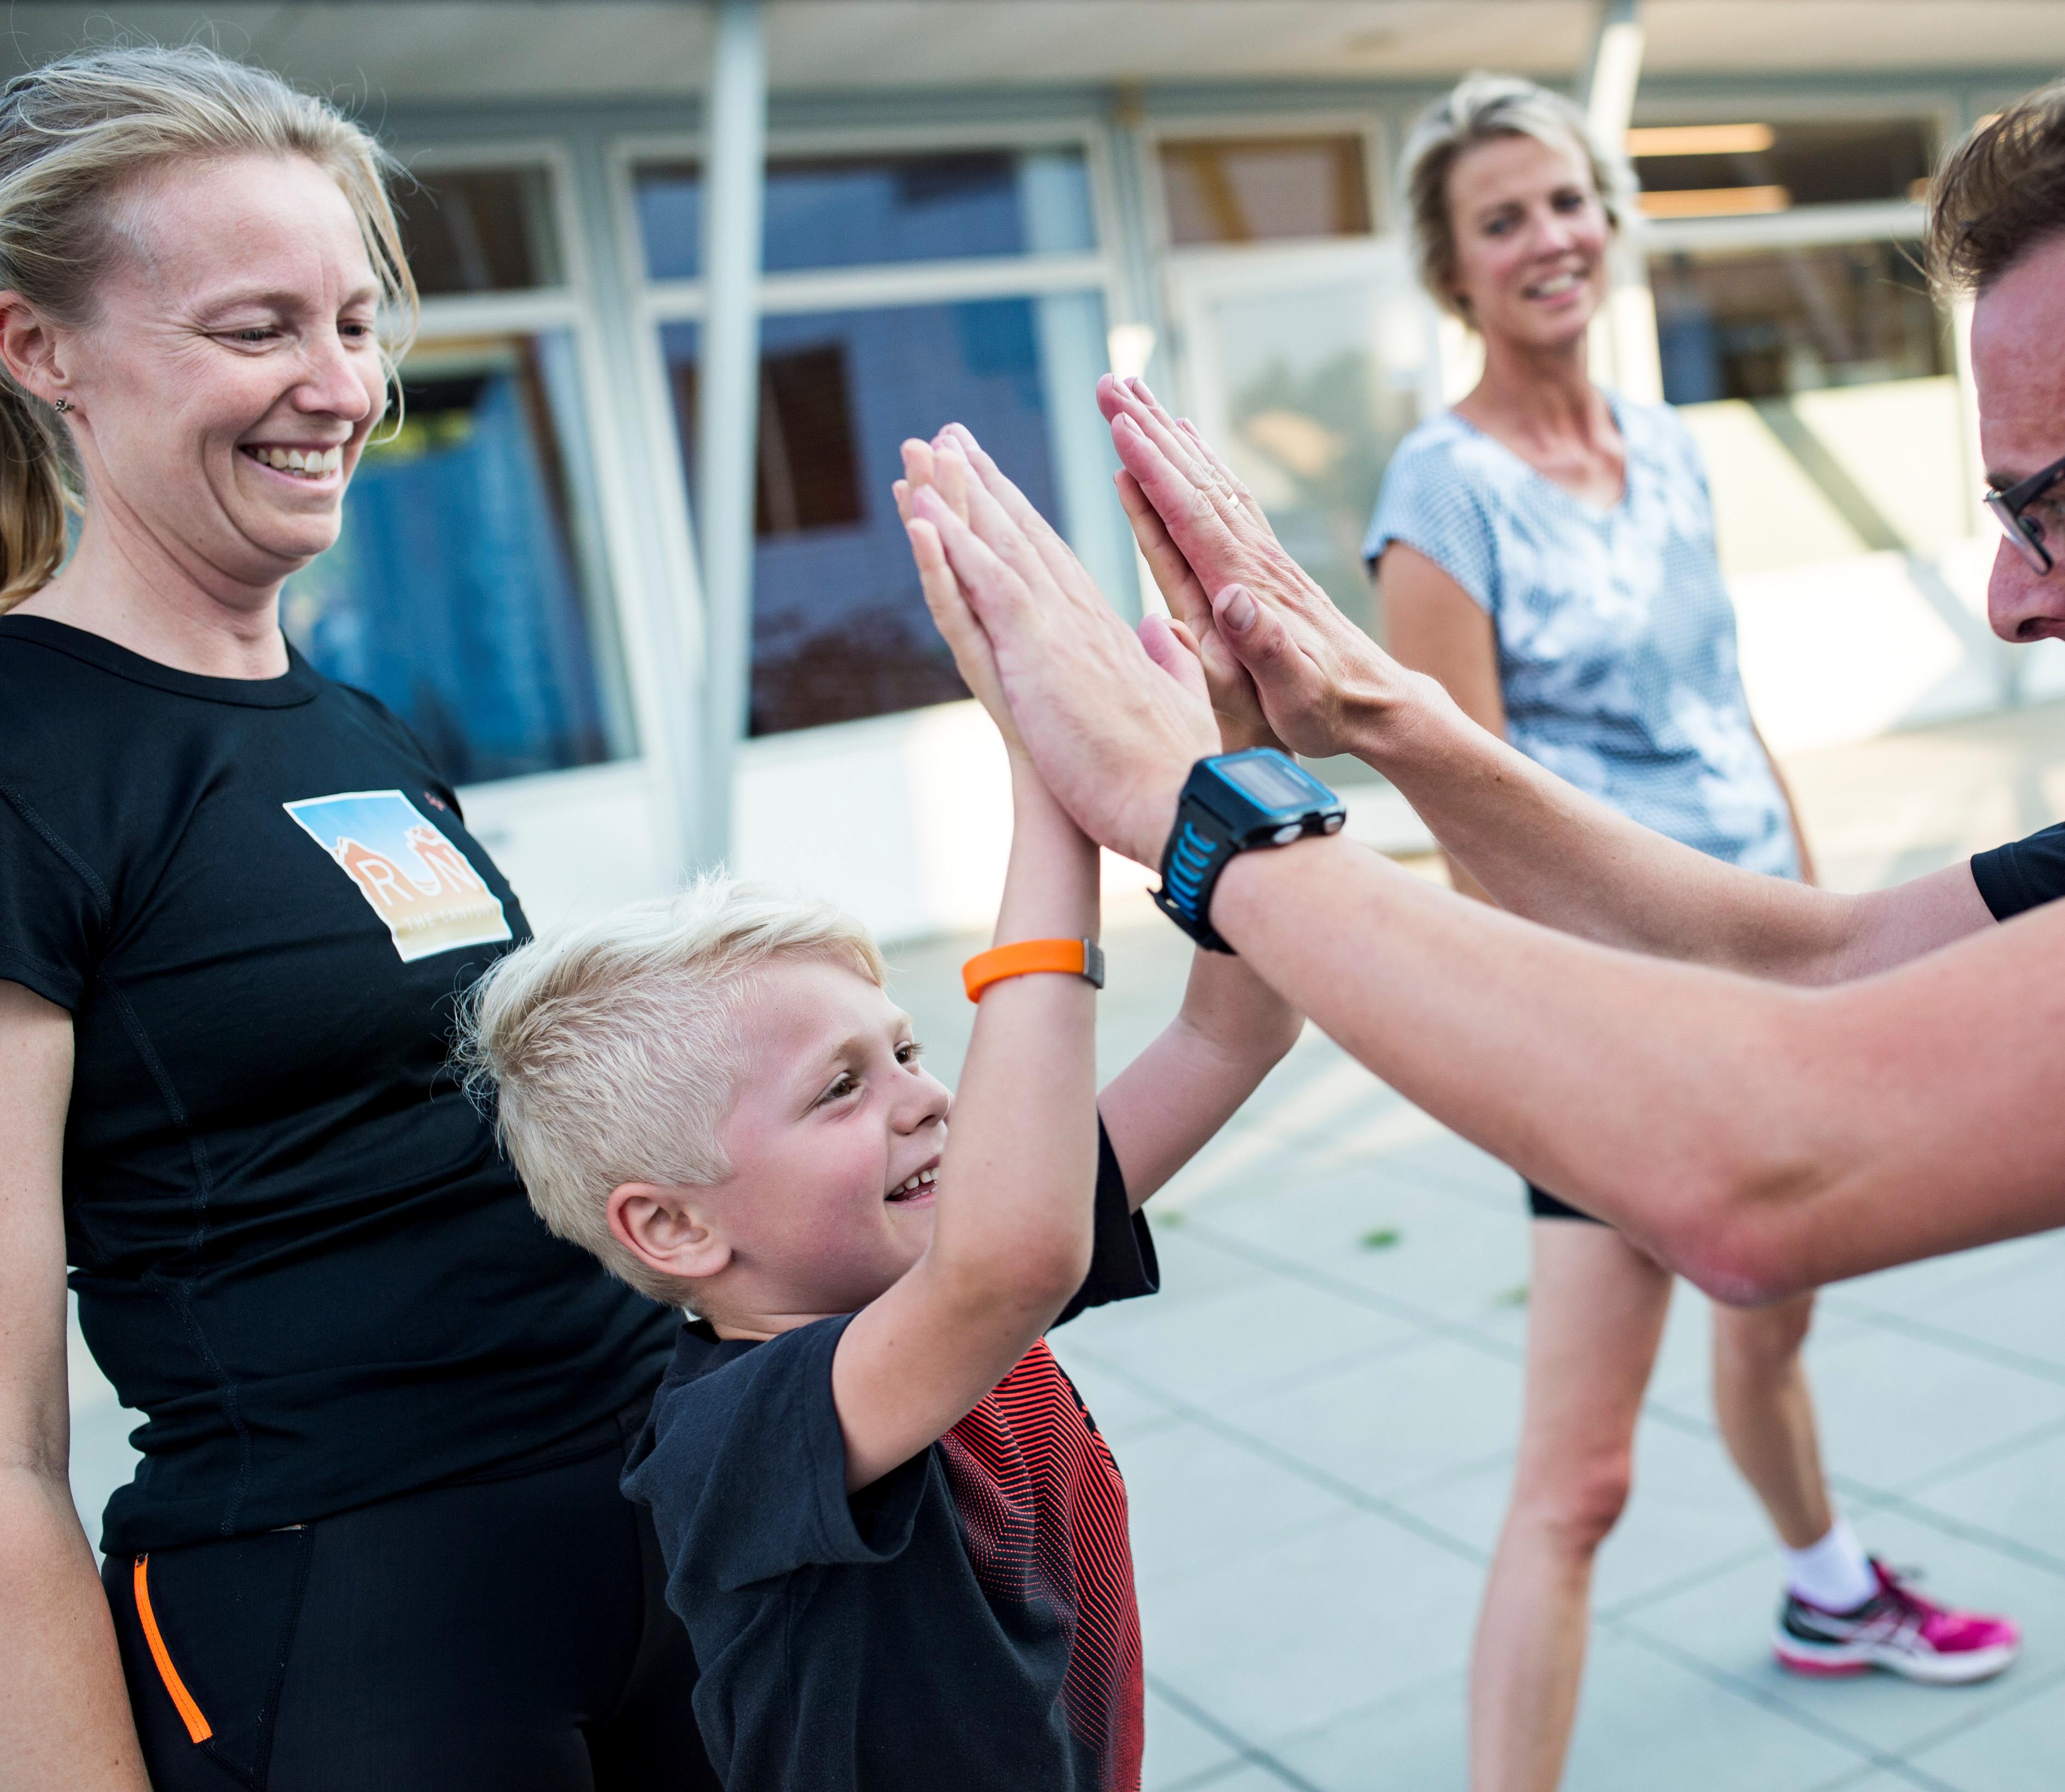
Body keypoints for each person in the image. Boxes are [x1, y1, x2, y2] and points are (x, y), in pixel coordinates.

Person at [911, 45, 2065, 1659]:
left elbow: (1762, 1163)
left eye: (2050, 503)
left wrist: (1196, 814)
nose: (2013, 601)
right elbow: (1817, 963)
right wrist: (1388, 721)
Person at [0, 44, 717, 1791]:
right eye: (257, 330)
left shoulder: (353, 723)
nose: (339, 388)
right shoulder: (25, 751)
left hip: (659, 1533)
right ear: (39, 349)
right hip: (357, 1629)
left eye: (353, 321)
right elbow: (4, 1450)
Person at [460, 430, 1303, 1792]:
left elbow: (1235, 1029)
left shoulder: (950, 1264)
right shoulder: (735, 1436)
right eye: (841, 1086)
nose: (927, 1096)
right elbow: (1016, 1258)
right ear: (673, 1226)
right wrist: (1050, 771)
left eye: (903, 1048)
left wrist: (1236, 750)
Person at [1365, 73, 2014, 1788]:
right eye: (1501, 219)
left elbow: (1726, 712)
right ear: (1451, 266)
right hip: (1605, 1015)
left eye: (1566, 201)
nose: (1549, 238)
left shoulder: (1664, 447)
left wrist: (1822, 934)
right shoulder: (1441, 496)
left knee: (1775, 1315)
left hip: (1756, 967)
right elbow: (1465, 811)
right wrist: (1590, 1046)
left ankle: (1829, 1592)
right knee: (1579, 1480)